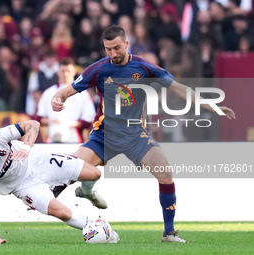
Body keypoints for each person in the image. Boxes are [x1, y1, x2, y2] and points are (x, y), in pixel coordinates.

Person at [51, 25, 236, 243]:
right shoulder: (98, 69)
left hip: (134, 135)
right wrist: (57, 99)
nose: (112, 54)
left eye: (116, 48)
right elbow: (67, 90)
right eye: (108, 49)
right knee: (69, 170)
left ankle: (169, 233)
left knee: (166, 174)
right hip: (104, 135)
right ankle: (42, 199)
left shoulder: (144, 67)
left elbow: (178, 88)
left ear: (126, 44)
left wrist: (212, 106)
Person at [0, 120, 119, 244]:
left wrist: (26, 147)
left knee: (94, 174)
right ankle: (99, 231)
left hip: (40, 161)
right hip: (24, 187)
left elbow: (33, 124)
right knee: (62, 212)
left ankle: (86, 192)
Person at [36, 57, 95, 143]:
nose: (65, 74)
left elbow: (88, 120)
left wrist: (68, 123)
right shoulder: (48, 93)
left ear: (74, 72)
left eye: (68, 71)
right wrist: (52, 121)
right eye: (63, 71)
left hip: (74, 140)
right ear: (58, 72)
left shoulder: (82, 94)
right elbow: (39, 118)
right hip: (52, 138)